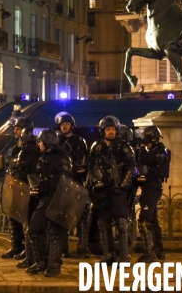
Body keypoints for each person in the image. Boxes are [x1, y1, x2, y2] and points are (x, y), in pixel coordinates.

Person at [88, 116, 136, 264]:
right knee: (104, 224)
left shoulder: (124, 146)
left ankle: (124, 257)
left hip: (118, 190)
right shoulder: (96, 147)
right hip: (103, 191)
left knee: (121, 224)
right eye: (108, 129)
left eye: (113, 129)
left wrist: (122, 185)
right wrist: (97, 181)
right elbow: (92, 166)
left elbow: (131, 167)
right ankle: (109, 255)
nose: (111, 132)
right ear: (103, 131)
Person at [26, 129, 73, 277]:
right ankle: (42, 261)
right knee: (34, 228)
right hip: (45, 198)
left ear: (47, 142)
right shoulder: (43, 158)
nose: (39, 144)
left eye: (40, 141)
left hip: (58, 198)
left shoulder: (61, 158)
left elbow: (66, 181)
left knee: (54, 232)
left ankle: (54, 264)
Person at [55, 111, 90, 258]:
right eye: (62, 124)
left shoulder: (79, 141)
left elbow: (85, 161)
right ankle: (63, 248)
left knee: (81, 215)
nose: (64, 127)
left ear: (72, 126)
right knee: (62, 216)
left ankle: (83, 248)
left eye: (67, 124)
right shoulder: (55, 141)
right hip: (61, 184)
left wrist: (80, 168)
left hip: (77, 181)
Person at [136, 126, 170, 262]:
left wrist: (142, 148)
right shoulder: (152, 151)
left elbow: (145, 161)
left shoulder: (161, 151)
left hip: (153, 188)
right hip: (148, 188)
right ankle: (158, 250)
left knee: (144, 220)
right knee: (153, 220)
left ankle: (149, 253)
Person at [1, 117, 34, 259]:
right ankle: (16, 247)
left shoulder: (32, 148)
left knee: (26, 221)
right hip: (16, 187)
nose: (15, 131)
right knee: (13, 218)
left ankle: (27, 251)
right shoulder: (16, 148)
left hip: (26, 189)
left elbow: (28, 169)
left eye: (18, 129)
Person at [11, 127, 42, 269]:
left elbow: (24, 172)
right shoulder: (35, 151)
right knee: (29, 226)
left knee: (29, 226)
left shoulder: (28, 152)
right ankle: (31, 257)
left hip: (28, 192)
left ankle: (31, 258)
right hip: (30, 191)